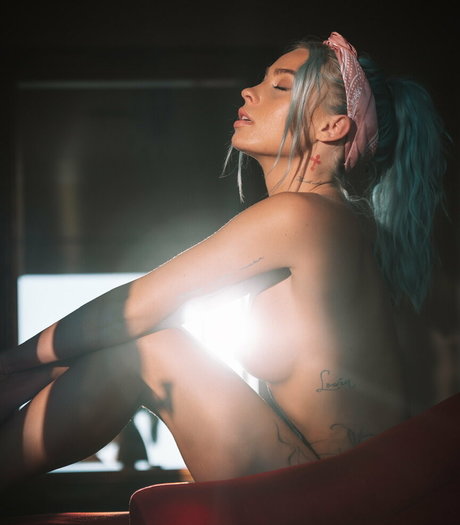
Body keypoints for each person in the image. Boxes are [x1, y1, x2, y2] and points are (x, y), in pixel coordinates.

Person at [0, 32, 447, 488]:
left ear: (332, 127)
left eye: (280, 86)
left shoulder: (303, 215)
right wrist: (35, 372)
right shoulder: (331, 222)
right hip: (330, 487)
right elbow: (140, 317)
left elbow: (135, 305)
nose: (249, 91)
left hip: (336, 495)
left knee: (150, 350)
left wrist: (12, 367)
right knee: (143, 341)